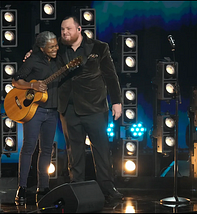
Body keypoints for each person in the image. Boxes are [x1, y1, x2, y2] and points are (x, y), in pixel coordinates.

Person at [25, 16, 124, 201]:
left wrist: (117, 102)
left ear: (79, 29)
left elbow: (111, 76)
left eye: (68, 29)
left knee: (101, 149)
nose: (65, 33)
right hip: (69, 107)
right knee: (74, 150)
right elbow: (41, 55)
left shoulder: (98, 47)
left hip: (94, 106)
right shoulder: (58, 49)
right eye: (63, 30)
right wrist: (32, 55)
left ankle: (107, 187)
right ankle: (77, 186)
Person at [12, 31, 60, 205]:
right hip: (34, 110)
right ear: (42, 48)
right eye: (51, 46)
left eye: (56, 45)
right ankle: (22, 187)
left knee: (47, 150)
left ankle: (43, 187)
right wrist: (32, 85)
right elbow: (16, 81)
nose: (55, 48)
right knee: (29, 148)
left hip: (52, 111)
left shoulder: (58, 59)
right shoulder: (32, 60)